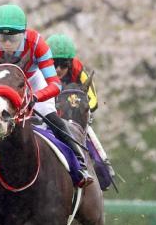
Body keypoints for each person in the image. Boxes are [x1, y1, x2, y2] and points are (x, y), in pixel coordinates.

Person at [0, 4, 93, 190]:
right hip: (2, 87)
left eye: (13, 38)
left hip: (33, 82)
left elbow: (54, 84)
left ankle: (79, 164)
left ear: (24, 33)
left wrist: (36, 97)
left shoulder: (37, 43)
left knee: (51, 117)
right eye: (2, 38)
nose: (7, 44)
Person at [46, 33, 114, 179]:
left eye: (63, 64)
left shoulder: (78, 70)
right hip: (47, 115)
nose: (58, 69)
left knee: (89, 132)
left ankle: (104, 168)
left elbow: (93, 99)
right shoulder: (39, 71)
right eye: (54, 63)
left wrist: (80, 106)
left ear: (70, 63)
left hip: (74, 117)